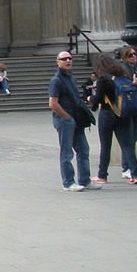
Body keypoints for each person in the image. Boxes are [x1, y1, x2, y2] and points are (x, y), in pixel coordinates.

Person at [88, 53, 137, 188]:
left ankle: (102, 175)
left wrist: (90, 100)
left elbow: (99, 98)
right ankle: (135, 174)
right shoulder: (122, 76)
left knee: (106, 146)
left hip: (107, 113)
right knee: (127, 145)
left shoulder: (103, 79)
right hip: (123, 113)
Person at [47, 50, 92, 193]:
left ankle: (85, 180)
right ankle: (68, 182)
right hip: (65, 120)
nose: (68, 61)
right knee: (67, 153)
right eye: (64, 59)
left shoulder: (71, 77)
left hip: (75, 119)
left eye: (70, 58)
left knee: (83, 149)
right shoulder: (56, 80)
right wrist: (66, 117)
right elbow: (52, 103)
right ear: (57, 62)